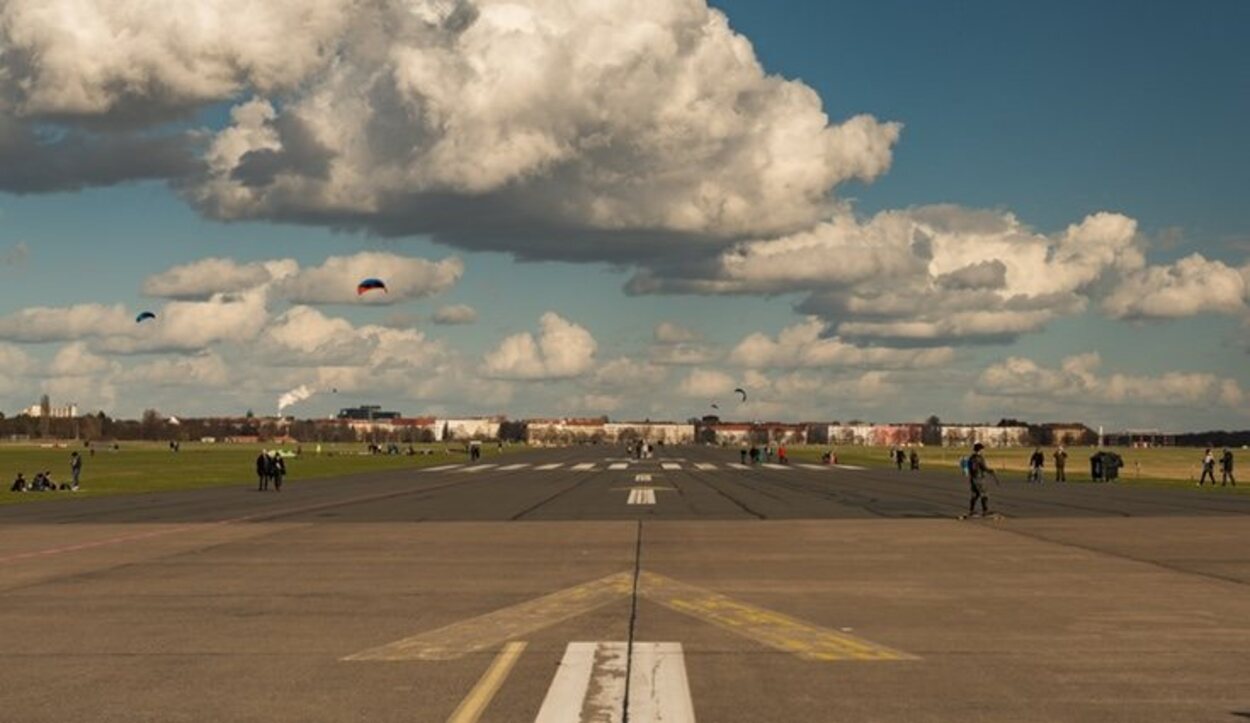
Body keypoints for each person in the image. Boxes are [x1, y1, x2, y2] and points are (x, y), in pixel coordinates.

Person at [964, 442, 999, 518]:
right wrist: (991, 471)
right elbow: (983, 468)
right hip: (978, 479)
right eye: (982, 449)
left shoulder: (972, 457)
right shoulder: (978, 458)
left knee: (975, 495)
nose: (984, 451)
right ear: (980, 450)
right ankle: (985, 511)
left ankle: (971, 510)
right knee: (984, 494)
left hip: (974, 479)